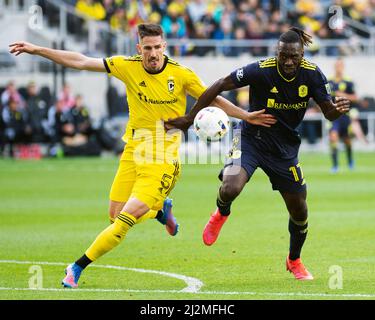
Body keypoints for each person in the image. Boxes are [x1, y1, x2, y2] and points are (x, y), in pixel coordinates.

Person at [9, 23, 275, 288]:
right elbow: (80, 61)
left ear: (165, 46)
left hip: (163, 160)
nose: (153, 53)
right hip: (133, 150)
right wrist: (37, 49)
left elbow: (213, 98)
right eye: (148, 48)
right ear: (140, 48)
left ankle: (77, 267)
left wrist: (246, 115)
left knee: (122, 224)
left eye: (158, 47)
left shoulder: (181, 75)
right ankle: (160, 210)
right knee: (114, 216)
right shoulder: (127, 66)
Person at [165, 27, 350, 281]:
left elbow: (328, 112)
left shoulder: (313, 74)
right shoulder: (261, 69)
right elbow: (219, 84)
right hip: (251, 139)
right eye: (283, 55)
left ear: (302, 54)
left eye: (293, 56)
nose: (287, 61)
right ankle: (221, 211)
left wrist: (337, 111)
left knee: (300, 211)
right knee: (231, 186)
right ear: (277, 51)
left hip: (284, 149)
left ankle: (294, 260)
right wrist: (188, 118)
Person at [328, 58, 359, 173]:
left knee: (347, 141)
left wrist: (343, 95)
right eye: (337, 66)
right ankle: (335, 166)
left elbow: (356, 98)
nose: (338, 68)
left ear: (343, 67)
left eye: (340, 66)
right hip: (334, 116)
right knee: (333, 137)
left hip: (346, 115)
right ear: (334, 67)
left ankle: (350, 161)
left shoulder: (349, 82)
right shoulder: (329, 82)